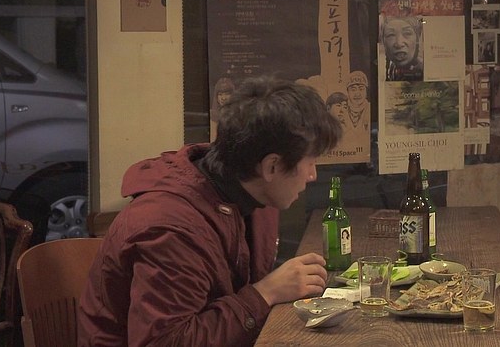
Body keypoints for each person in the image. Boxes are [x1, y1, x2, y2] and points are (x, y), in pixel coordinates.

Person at [78, 76, 342, 347]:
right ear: (271, 167)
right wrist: (265, 293)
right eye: (310, 162)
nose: (312, 175)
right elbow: (166, 341)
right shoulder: (170, 227)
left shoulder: (249, 188)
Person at [382, 16, 424, 81]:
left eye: (407, 33)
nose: (399, 43)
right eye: (391, 34)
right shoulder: (391, 68)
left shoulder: (424, 71)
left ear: (417, 38)